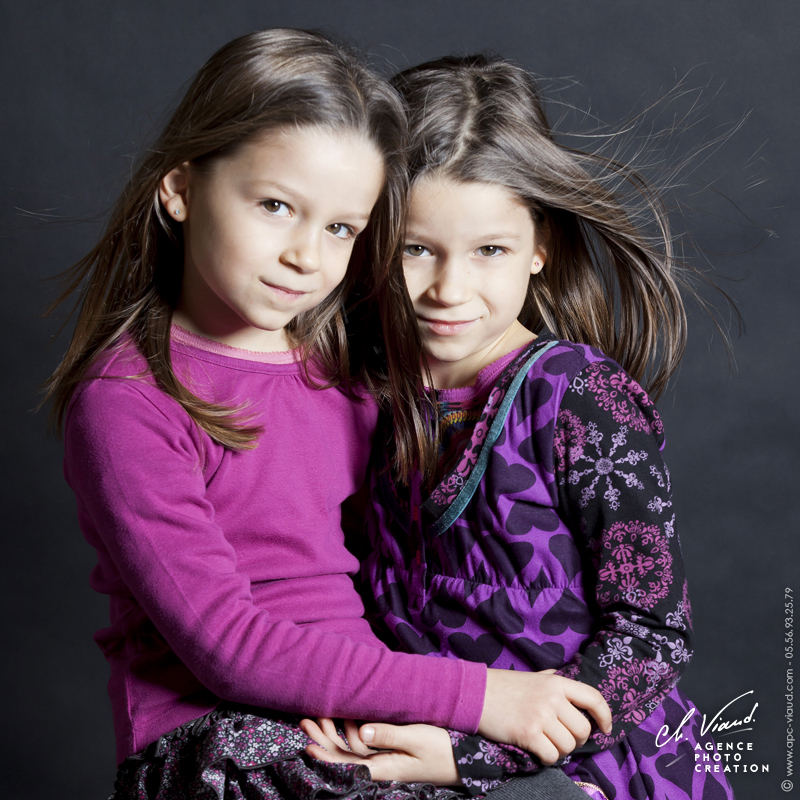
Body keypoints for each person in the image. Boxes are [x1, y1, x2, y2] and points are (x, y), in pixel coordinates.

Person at [45, 34, 611, 800]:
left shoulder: (344, 377)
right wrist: (482, 697)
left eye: (342, 228)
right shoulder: (130, 398)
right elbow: (228, 647)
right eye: (276, 206)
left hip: (359, 710)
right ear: (179, 190)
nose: (306, 256)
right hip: (218, 734)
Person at [303, 55, 737, 800]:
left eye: (490, 251)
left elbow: (650, 637)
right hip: (419, 745)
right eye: (416, 249)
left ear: (540, 248)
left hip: (579, 766)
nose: (448, 289)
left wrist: (468, 756)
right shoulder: (365, 394)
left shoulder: (580, 398)